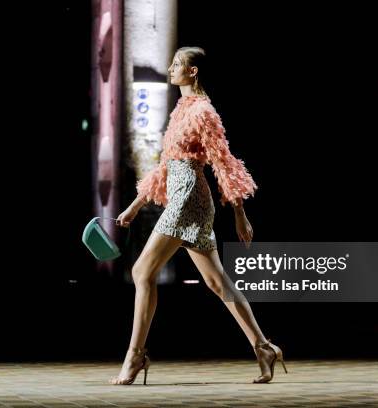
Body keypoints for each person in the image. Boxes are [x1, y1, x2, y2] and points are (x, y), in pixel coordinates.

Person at [109, 46, 287, 385]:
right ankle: (263, 347)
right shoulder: (182, 109)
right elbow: (164, 165)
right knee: (218, 283)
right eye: (172, 62)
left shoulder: (204, 111)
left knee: (141, 270)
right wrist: (134, 206)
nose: (171, 67)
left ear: (193, 72)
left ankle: (135, 356)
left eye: (178, 64)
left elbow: (224, 162)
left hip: (190, 196)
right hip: (179, 191)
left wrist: (239, 214)